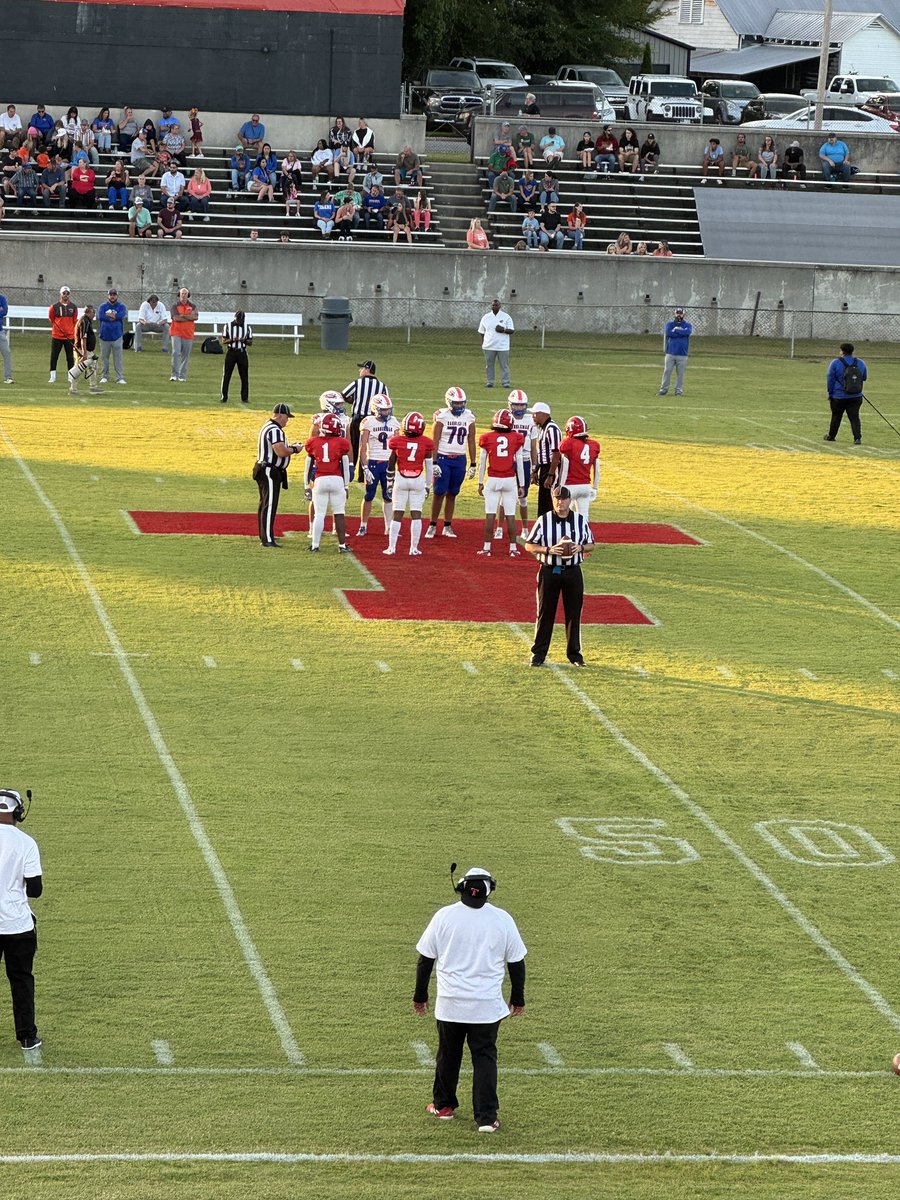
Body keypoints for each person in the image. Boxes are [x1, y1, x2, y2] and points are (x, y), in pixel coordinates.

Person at [414, 865, 526, 1132]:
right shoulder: (502, 919)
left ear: (461, 887)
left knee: (448, 1055)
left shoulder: (444, 916)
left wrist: (420, 995)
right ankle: (486, 1118)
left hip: (450, 1003)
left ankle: (443, 1106)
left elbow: (425, 959)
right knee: (485, 1058)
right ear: (489, 891)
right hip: (486, 1007)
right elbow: (516, 962)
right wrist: (518, 998)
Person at [523, 486, 594, 666]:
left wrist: (580, 548)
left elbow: (591, 544)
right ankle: (538, 654)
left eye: (563, 499)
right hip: (549, 570)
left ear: (570, 500)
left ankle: (575, 655)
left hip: (573, 571)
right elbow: (529, 545)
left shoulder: (579, 520)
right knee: (545, 613)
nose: (559, 502)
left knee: (574, 613)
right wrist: (548, 550)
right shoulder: (544, 520)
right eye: (556, 498)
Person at [0, 789, 44, 1053]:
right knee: (21, 980)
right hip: (17, 925)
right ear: (17, 812)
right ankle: (27, 1037)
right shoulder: (26, 843)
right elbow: (35, 890)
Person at [426, 386, 477, 540]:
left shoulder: (469, 417)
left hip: (460, 459)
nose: (460, 406)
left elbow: (471, 441)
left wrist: (473, 463)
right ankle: (432, 525)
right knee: (439, 492)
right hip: (443, 458)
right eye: (456, 403)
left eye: (462, 403)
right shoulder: (441, 417)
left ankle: (447, 525)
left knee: (453, 493)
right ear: (449, 402)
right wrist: (434, 462)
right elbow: (434, 441)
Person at [476, 409, 526, 557]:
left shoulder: (487, 438)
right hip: (509, 480)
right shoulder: (516, 438)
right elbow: (520, 463)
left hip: (493, 479)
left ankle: (487, 548)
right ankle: (513, 548)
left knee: (490, 514)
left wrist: (480, 482)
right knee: (510, 515)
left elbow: (482, 462)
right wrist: (522, 484)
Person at [384, 411, 435, 556]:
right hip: (417, 480)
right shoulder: (426, 443)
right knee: (416, 514)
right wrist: (428, 486)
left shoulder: (397, 441)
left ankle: (392, 547)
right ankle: (413, 548)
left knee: (397, 513)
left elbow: (391, 463)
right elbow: (429, 467)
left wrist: (389, 482)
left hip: (401, 478)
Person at [254, 403, 303, 548]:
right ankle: (267, 539)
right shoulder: (275, 430)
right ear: (281, 416)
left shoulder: (268, 426)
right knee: (269, 504)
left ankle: (265, 534)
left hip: (265, 469)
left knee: (264, 503)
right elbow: (280, 451)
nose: (287, 421)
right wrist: (295, 449)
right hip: (269, 470)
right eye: (287, 417)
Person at [304, 413, 353, 553]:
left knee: (319, 514)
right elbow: (345, 466)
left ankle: (315, 545)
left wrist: (306, 486)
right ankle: (342, 545)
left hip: (320, 480)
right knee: (339, 513)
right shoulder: (342, 443)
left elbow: (308, 467)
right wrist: (346, 486)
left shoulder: (313, 442)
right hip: (337, 480)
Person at [357, 394, 400, 537]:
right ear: (376, 409)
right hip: (373, 462)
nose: (387, 412)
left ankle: (388, 527)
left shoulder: (394, 422)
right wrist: (365, 467)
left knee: (388, 496)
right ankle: (363, 525)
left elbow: (398, 446)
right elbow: (363, 447)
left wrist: (398, 465)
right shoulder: (368, 422)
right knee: (369, 495)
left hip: (389, 463)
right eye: (384, 409)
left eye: (388, 409)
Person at [342, 359, 390, 476]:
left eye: (362, 368)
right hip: (373, 420)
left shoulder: (358, 383)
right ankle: (363, 474)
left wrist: (354, 400)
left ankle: (350, 471)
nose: (360, 370)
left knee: (353, 445)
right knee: (368, 447)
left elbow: (343, 395)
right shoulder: (382, 386)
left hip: (358, 418)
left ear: (367, 369)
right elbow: (386, 401)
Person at [557, 415, 600, 521]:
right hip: (585, 486)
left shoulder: (568, 443)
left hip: (570, 485)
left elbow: (565, 465)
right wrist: (595, 487)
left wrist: (561, 485)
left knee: (565, 515)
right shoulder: (594, 445)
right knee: (584, 516)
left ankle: (567, 532)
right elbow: (597, 468)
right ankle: (585, 532)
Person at [824, 342, 867, 445]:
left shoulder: (835, 363)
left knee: (836, 416)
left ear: (842, 351)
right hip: (856, 395)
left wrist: (830, 394)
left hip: (838, 396)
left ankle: (831, 436)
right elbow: (864, 377)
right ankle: (857, 438)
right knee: (854, 417)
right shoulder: (860, 363)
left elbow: (830, 379)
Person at [531, 401, 562, 517]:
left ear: (542, 414)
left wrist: (550, 475)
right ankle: (544, 525)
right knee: (543, 501)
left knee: (551, 500)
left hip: (551, 467)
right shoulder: (543, 428)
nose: (533, 416)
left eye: (535, 414)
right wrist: (536, 470)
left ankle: (554, 525)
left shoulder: (551, 428)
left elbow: (556, 453)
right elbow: (542, 453)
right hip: (545, 467)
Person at [67, 305, 103, 395]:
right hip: (81, 350)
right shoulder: (84, 321)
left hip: (86, 350)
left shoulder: (86, 320)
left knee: (93, 366)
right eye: (93, 313)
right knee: (79, 369)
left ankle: (93, 386)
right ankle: (73, 389)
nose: (94, 315)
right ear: (88, 312)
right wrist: (84, 353)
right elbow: (83, 338)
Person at [478, 298, 514, 388]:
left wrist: (503, 330)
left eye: (496, 305)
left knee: (504, 365)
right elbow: (481, 332)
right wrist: (483, 343)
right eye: (493, 305)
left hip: (502, 347)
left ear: (500, 306)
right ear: (491, 306)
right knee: (489, 365)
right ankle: (490, 381)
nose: (494, 306)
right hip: (489, 346)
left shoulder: (506, 317)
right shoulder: (486, 317)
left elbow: (512, 330)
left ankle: (505, 382)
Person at [220, 311, 253, 404]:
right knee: (226, 375)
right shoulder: (228, 326)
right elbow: (223, 340)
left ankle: (245, 398)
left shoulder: (247, 327)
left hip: (242, 352)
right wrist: (232, 340)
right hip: (231, 352)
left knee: (244, 376)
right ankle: (224, 397)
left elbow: (250, 342)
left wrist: (244, 340)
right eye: (238, 320)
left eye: (240, 321)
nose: (239, 322)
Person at [659, 305, 692, 396]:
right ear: (674, 314)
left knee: (680, 374)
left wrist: (676, 330)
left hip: (682, 354)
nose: (679, 315)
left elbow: (687, 332)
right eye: (677, 313)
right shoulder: (669, 324)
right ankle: (663, 390)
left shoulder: (688, 325)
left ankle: (678, 391)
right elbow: (669, 333)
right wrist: (681, 332)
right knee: (667, 372)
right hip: (670, 353)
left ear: (683, 315)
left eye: (680, 313)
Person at [97, 287, 127, 385]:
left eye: (114, 295)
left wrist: (110, 315)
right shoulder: (103, 306)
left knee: (118, 358)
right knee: (104, 358)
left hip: (117, 335)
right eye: (111, 295)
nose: (112, 296)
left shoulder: (121, 306)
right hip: (104, 336)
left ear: (117, 296)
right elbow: (101, 316)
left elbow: (121, 315)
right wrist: (113, 317)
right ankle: (104, 376)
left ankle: (119, 377)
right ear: (108, 296)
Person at [48, 285, 77, 383]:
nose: (66, 295)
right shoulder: (54, 307)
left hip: (69, 336)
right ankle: (53, 376)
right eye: (64, 293)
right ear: (60, 294)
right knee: (54, 356)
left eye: (67, 293)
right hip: (57, 336)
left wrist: (70, 330)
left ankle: (70, 376)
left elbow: (74, 320)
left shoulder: (73, 307)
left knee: (70, 357)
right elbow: (51, 319)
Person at [170, 287, 198, 382]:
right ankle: (174, 374)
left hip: (188, 333)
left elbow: (195, 317)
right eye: (182, 293)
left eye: (185, 294)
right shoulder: (175, 306)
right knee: (176, 353)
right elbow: (176, 318)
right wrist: (189, 317)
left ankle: (182, 376)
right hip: (176, 332)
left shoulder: (193, 306)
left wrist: (183, 316)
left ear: (188, 295)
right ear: (179, 295)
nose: (184, 295)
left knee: (185, 355)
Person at [0, 290, 12, 384]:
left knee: (7, 352)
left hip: (0, 331)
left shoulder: (2, 298)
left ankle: (8, 377)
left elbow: (4, 312)